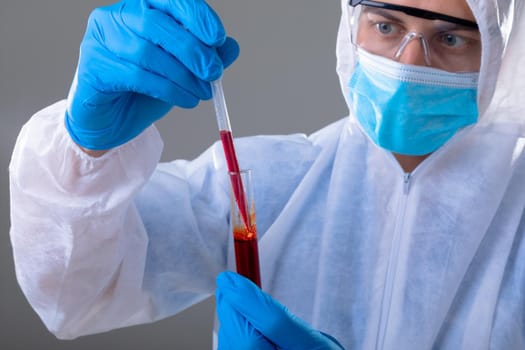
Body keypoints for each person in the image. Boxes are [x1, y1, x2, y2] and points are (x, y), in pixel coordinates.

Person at [9, 0, 525, 348]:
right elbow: (73, 294)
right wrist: (85, 148)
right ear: (352, 28)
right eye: (386, 25)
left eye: (452, 39)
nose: (409, 59)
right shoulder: (274, 182)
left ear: (498, 55)